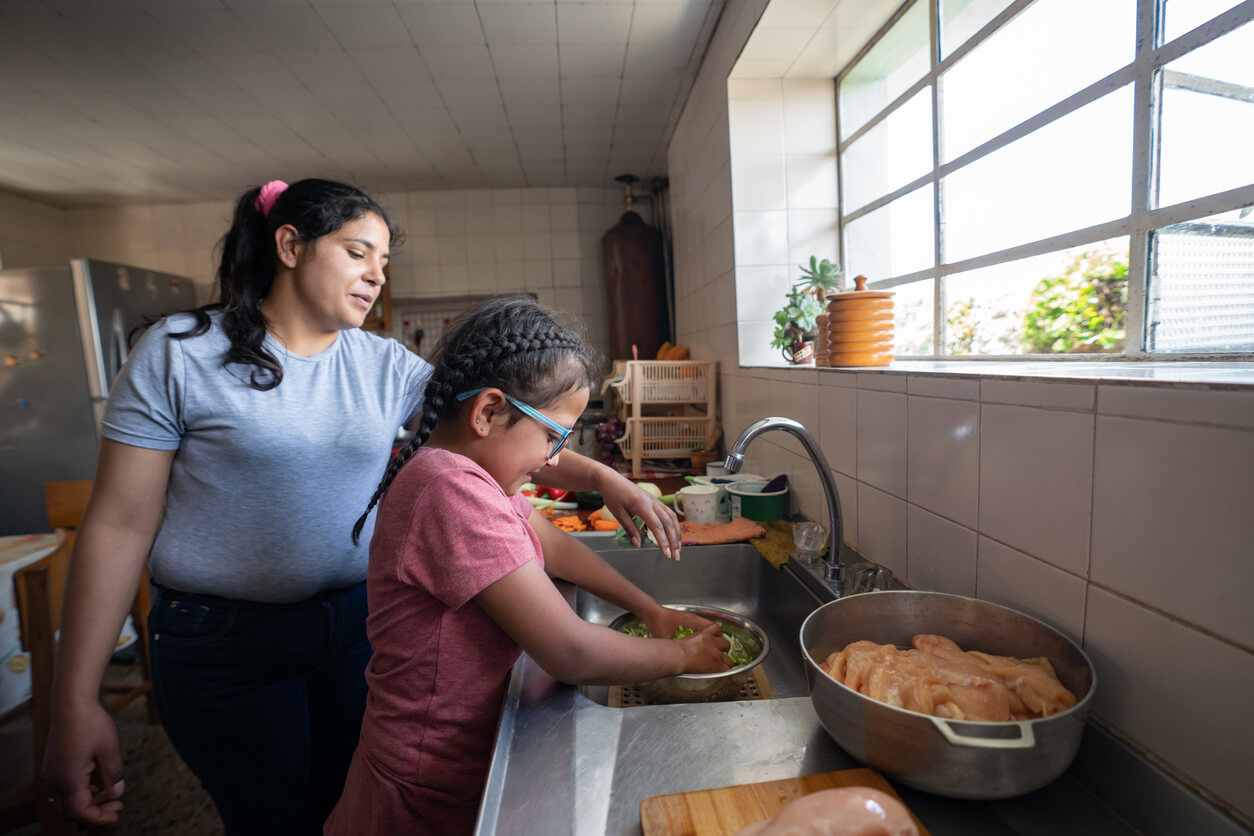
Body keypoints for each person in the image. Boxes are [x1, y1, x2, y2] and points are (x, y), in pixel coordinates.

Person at [41, 179, 684, 836]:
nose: (376, 275)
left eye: (383, 261)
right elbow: (118, 525)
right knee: (273, 820)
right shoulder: (180, 353)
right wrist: (76, 700)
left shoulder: (382, 364)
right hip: (227, 646)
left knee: (352, 805)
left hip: (358, 630)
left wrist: (604, 478)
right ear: (289, 245)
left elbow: (496, 421)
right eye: (357, 252)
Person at [323, 295, 732, 836]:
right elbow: (570, 652)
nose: (552, 459)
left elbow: (556, 548)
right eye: (552, 436)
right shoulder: (450, 489)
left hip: (462, 763)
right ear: (488, 412)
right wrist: (680, 655)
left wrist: (649, 609)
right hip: (424, 784)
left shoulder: (474, 475)